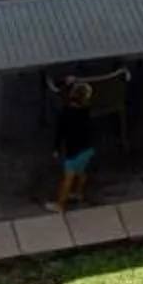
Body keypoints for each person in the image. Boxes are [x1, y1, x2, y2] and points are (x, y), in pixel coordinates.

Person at [52, 77, 100, 210]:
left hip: (73, 150)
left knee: (68, 177)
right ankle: (78, 193)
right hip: (87, 147)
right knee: (82, 172)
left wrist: (56, 148)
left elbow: (60, 132)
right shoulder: (86, 110)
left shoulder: (65, 114)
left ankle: (60, 204)